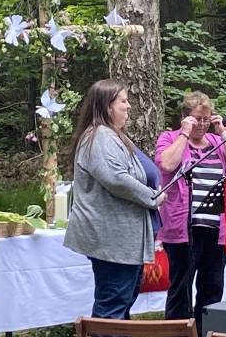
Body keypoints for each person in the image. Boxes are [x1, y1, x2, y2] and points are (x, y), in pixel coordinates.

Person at [64, 79, 166, 323]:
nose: (128, 106)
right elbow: (116, 178)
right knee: (112, 301)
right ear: (107, 106)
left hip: (121, 238)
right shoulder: (99, 137)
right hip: (111, 239)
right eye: (123, 101)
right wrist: (152, 197)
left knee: (123, 299)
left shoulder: (112, 136)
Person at [155, 91, 226, 337]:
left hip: (216, 229)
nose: (202, 124)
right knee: (181, 288)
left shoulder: (216, 144)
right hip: (183, 230)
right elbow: (167, 164)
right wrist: (185, 134)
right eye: (198, 119)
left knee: (212, 286)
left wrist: (223, 135)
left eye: (207, 119)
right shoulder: (170, 138)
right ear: (185, 117)